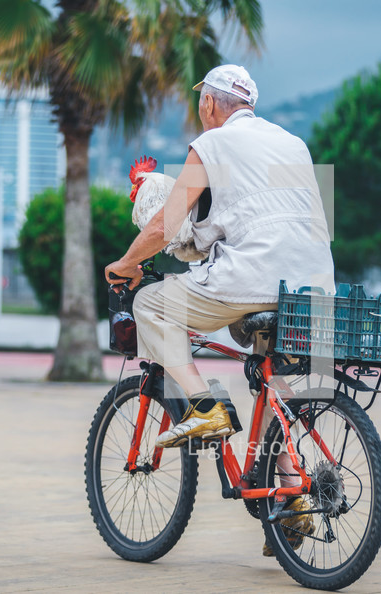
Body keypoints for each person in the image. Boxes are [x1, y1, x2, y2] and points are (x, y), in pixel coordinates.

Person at [105, 63, 332, 446]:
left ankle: (204, 405)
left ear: (208, 102)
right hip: (312, 288)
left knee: (150, 305)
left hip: (251, 281)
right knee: (268, 377)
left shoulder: (212, 144)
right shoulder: (294, 144)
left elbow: (165, 225)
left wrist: (125, 264)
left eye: (200, 101)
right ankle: (289, 484)